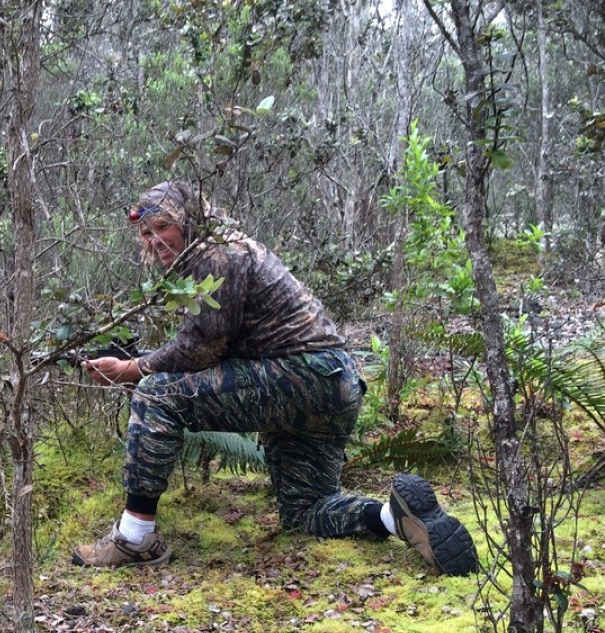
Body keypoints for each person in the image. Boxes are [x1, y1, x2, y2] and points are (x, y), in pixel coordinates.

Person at [71, 180, 479, 576]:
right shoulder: (218, 251)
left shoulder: (217, 252)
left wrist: (133, 369)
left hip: (301, 376)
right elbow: (211, 345)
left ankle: (135, 537)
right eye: (145, 233)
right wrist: (135, 360)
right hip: (333, 386)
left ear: (189, 220)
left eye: (163, 227)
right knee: (306, 510)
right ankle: (395, 518)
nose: (154, 241)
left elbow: (202, 349)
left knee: (156, 395)